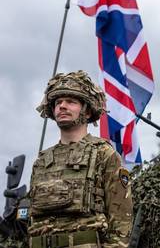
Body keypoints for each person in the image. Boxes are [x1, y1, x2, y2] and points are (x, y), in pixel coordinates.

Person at [29, 71, 133, 247]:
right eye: (58, 102)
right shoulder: (41, 162)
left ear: (86, 110)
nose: (62, 106)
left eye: (71, 102)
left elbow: (121, 220)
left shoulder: (104, 154)